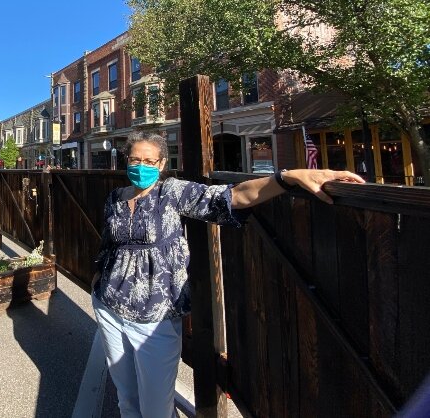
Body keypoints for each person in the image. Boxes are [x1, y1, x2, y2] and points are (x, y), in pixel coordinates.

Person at [91, 131, 365, 418]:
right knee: (126, 398)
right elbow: (110, 242)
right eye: (135, 159)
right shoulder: (116, 198)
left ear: (161, 164)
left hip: (155, 317)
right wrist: (98, 274)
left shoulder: (171, 192)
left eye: (149, 160)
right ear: (126, 160)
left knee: (156, 408)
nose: (141, 166)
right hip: (109, 307)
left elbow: (234, 196)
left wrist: (288, 177)